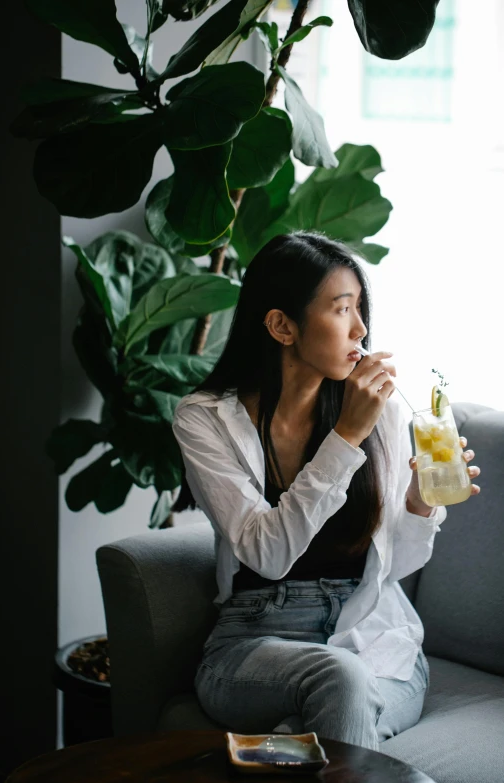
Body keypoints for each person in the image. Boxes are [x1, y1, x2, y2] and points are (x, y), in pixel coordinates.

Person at [171, 232, 481, 750]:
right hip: (255, 640)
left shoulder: (388, 414)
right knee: (341, 681)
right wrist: (345, 438)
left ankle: (292, 744)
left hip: (375, 640)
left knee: (334, 705)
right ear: (281, 326)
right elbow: (265, 553)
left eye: (361, 309)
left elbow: (396, 565)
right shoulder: (205, 419)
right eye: (342, 309)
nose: (361, 328)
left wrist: (421, 503)